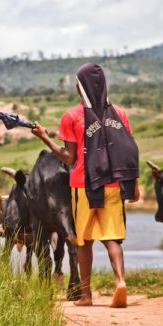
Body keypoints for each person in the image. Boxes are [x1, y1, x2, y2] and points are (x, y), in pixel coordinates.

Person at [31, 63, 140, 308]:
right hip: (114, 184)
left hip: (84, 185)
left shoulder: (72, 116)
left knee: (83, 241)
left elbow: (69, 158)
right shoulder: (119, 114)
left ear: (80, 87)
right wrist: (133, 184)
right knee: (112, 238)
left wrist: (44, 137)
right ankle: (120, 281)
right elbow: (128, 150)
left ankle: (86, 295)